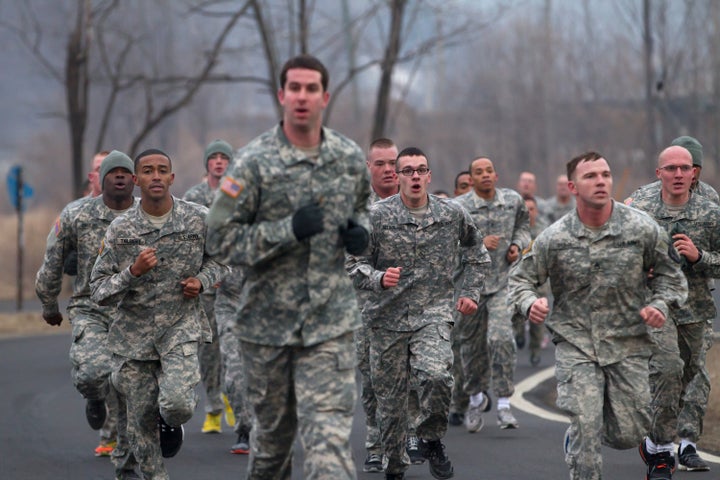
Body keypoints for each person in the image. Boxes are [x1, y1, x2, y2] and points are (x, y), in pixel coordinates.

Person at [205, 54, 371, 479]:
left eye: (311, 89)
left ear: (324, 97)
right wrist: (286, 230)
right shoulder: (252, 163)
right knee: (273, 448)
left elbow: (363, 207)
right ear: (281, 96)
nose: (302, 97)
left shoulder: (349, 158)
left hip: (330, 323)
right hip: (267, 329)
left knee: (329, 449)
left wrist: (360, 232)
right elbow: (219, 239)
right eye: (294, 88)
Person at [508, 151, 688, 480]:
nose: (601, 181)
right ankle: (581, 439)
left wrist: (660, 305)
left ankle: (593, 437)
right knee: (586, 423)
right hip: (576, 344)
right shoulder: (554, 237)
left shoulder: (641, 229)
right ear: (573, 187)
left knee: (628, 433)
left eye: (605, 174)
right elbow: (520, 280)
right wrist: (529, 302)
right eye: (591, 176)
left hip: (628, 342)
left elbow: (671, 277)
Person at [348, 147, 490, 480]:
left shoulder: (451, 214)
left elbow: (477, 254)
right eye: (407, 170)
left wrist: (469, 293)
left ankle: (430, 437)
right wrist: (379, 278)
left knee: (437, 376)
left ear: (429, 176)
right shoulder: (374, 216)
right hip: (385, 319)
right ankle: (394, 465)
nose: (414, 176)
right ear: (397, 177)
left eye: (420, 170)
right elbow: (352, 263)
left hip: (433, 313)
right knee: (391, 406)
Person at [91, 149, 228, 480]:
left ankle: (170, 420)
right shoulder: (121, 230)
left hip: (180, 326)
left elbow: (222, 260)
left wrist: (201, 280)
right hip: (133, 338)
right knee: (140, 421)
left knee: (177, 404)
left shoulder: (198, 218)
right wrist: (131, 272)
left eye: (162, 170)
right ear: (136, 181)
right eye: (148, 171)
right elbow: (97, 290)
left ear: (172, 178)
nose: (156, 176)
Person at [36, 151, 139, 478]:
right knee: (93, 374)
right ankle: (95, 398)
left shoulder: (148, 213)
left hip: (136, 310)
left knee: (131, 387)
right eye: (113, 172)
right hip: (91, 307)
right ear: (99, 179)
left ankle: (127, 457)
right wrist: (49, 303)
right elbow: (53, 261)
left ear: (134, 179)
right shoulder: (76, 214)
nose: (120, 177)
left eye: (126, 172)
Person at [627, 145, 720, 476]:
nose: (678, 174)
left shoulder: (711, 214)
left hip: (695, 310)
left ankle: (652, 441)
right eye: (671, 169)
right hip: (656, 307)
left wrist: (700, 257)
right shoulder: (638, 210)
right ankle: (663, 454)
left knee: (689, 376)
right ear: (659, 174)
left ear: (693, 172)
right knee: (667, 370)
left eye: (684, 168)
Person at [454, 156, 530, 432]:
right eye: (478, 172)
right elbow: (446, 245)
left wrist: (517, 246)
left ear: (496, 176)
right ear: (470, 180)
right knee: (471, 349)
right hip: (470, 289)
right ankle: (475, 399)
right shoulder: (459, 208)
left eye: (489, 171)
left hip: (502, 284)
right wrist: (477, 244)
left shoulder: (512, 200)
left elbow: (524, 226)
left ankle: (504, 405)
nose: (485, 175)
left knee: (501, 338)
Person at [183, 139, 239, 438]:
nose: (219, 162)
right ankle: (214, 406)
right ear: (207, 163)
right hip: (204, 287)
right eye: (213, 157)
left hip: (234, 286)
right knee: (208, 349)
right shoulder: (194, 196)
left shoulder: (238, 193)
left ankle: (232, 397)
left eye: (224, 157)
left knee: (233, 350)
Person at [356, 137, 399, 472]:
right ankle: (374, 443)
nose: (388, 170)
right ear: (369, 167)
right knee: (372, 380)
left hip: (413, 308)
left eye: (392, 163)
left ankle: (408, 434)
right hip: (366, 309)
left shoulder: (416, 203)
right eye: (380, 164)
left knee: (412, 376)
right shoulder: (357, 210)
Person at [624, 135, 719, 206]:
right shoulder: (644, 195)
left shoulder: (710, 195)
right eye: (673, 168)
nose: (680, 174)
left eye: (687, 168)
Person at [511, 195, 550, 366]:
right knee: (516, 313)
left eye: (531, 209)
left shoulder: (545, 231)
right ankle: (519, 334)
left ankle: (535, 349)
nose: (528, 213)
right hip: (517, 282)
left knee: (537, 320)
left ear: (537, 211)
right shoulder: (514, 231)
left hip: (539, 283)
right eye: (525, 210)